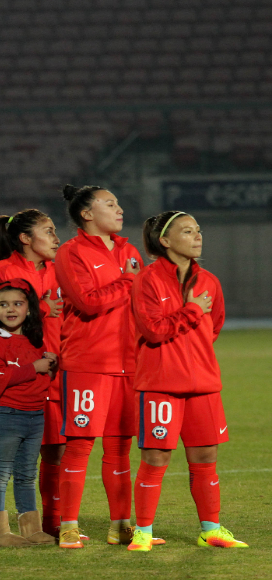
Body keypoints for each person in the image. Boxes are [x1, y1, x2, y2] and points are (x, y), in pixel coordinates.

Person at [128, 211, 247, 551]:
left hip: (204, 384)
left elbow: (216, 326)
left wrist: (193, 354)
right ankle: (144, 532)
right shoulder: (147, 280)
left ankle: (210, 529)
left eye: (198, 230)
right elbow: (152, 330)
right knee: (155, 458)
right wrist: (192, 310)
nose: (197, 236)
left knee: (205, 456)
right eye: (187, 231)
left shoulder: (209, 280)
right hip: (161, 384)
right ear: (165, 241)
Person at [54, 184, 146, 548]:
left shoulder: (128, 249)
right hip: (88, 362)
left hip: (129, 363)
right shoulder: (71, 252)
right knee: (79, 446)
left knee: (120, 447)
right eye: (110, 204)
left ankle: (120, 524)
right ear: (87, 214)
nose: (119, 208)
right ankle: (68, 525)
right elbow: (88, 303)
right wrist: (127, 280)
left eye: (119, 202)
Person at [0, 209, 66, 538]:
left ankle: (50, 523)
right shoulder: (2, 272)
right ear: (25, 238)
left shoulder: (59, 271)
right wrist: (42, 307)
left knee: (54, 451)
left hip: (54, 374)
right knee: (4, 458)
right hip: (16, 380)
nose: (56, 237)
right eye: (48, 230)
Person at [0, 278, 57, 547]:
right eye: (3, 304)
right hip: (7, 413)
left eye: (17, 304)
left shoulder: (34, 338)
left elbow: (40, 376)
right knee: (0, 472)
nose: (10, 309)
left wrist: (51, 365)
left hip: (36, 414)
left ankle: (30, 529)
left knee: (26, 473)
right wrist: (35, 367)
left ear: (30, 309)